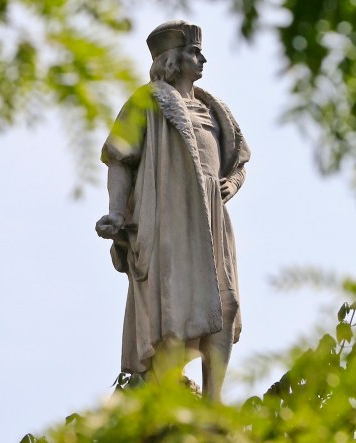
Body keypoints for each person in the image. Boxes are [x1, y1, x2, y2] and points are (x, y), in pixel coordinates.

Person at [95, 20, 250, 401]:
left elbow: (238, 162)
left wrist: (232, 183)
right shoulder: (148, 100)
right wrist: (116, 212)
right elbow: (119, 159)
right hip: (166, 216)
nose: (203, 59)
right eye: (195, 53)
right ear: (172, 58)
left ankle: (213, 403)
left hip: (212, 214)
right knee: (173, 305)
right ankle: (167, 397)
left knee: (224, 302)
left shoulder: (215, 109)